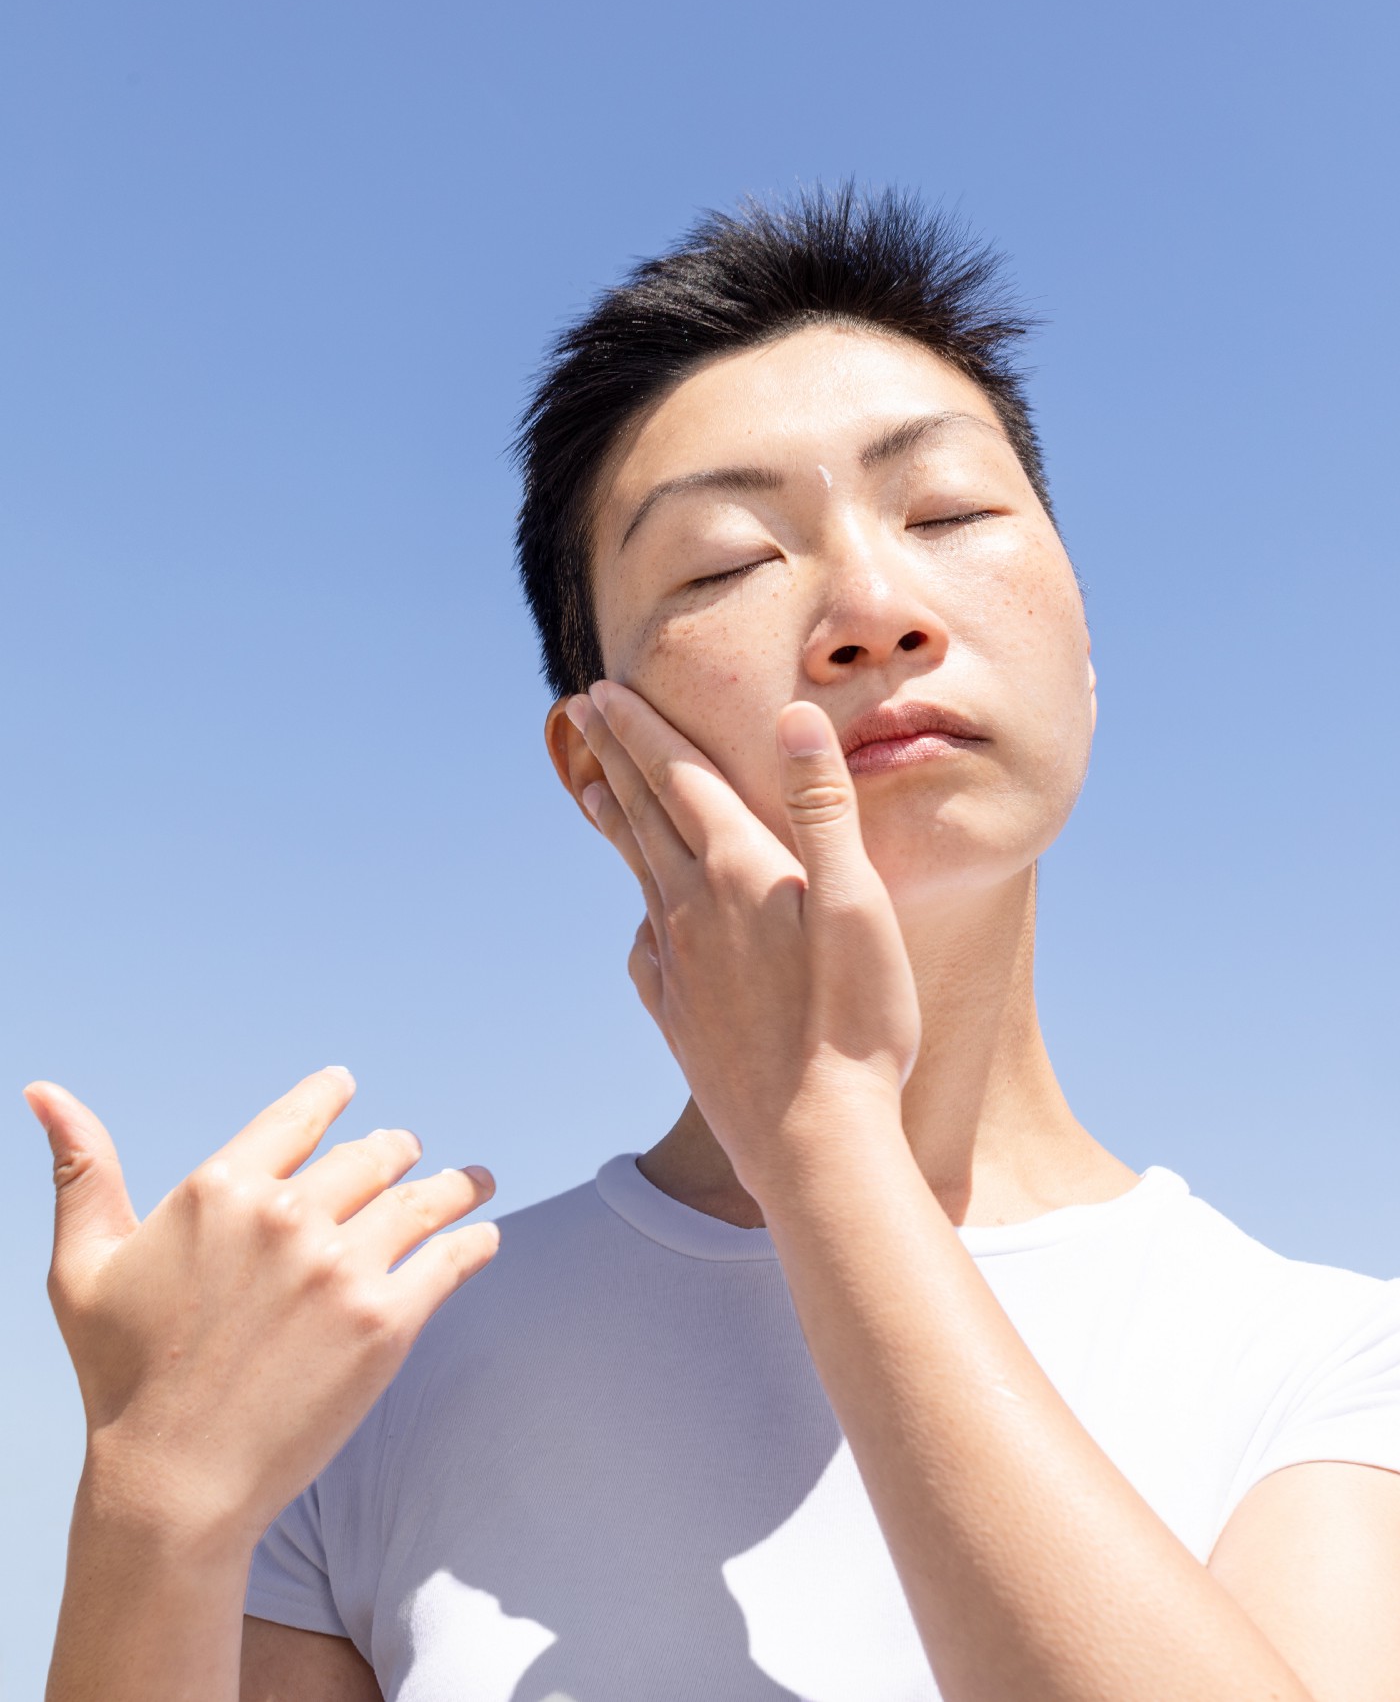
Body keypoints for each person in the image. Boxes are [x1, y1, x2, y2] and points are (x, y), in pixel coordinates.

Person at [27, 187, 1400, 1702]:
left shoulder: (1328, 1365)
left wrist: (821, 1144)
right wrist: (152, 1508)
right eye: (727, 563)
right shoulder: (366, 1385)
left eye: (946, 516)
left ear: (1081, 633)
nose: (875, 610)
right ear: (593, 762)